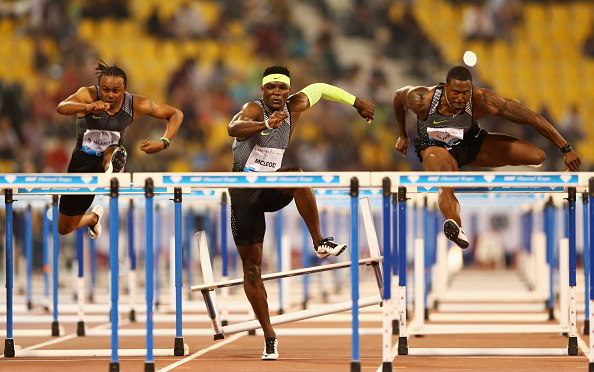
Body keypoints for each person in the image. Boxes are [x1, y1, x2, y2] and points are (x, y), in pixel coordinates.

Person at [227, 65, 375, 360]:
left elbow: (320, 87)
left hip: (269, 188)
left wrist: (356, 102)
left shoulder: (295, 106)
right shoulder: (254, 109)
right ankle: (269, 335)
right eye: (272, 88)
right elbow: (233, 128)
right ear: (263, 90)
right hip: (243, 191)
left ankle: (320, 241)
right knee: (252, 269)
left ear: (288, 90)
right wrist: (266, 125)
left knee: (296, 174)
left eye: (283, 88)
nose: (278, 93)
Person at [393, 65, 580, 249]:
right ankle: (456, 225)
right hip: (437, 149)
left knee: (537, 156)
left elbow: (531, 117)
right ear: (446, 87)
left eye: (465, 93)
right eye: (456, 92)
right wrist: (403, 135)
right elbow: (397, 98)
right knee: (445, 183)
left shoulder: (483, 100)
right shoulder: (422, 98)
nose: (460, 98)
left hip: (470, 144)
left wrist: (565, 148)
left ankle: (521, 162)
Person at [56, 60, 183, 239]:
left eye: (116, 91)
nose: (110, 95)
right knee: (65, 228)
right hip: (81, 162)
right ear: (99, 87)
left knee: (114, 151)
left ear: (124, 90)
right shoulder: (88, 94)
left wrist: (163, 142)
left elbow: (175, 113)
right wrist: (87, 107)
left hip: (109, 158)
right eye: (105, 90)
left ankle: (114, 170)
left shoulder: (135, 104)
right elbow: (62, 107)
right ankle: (93, 217)